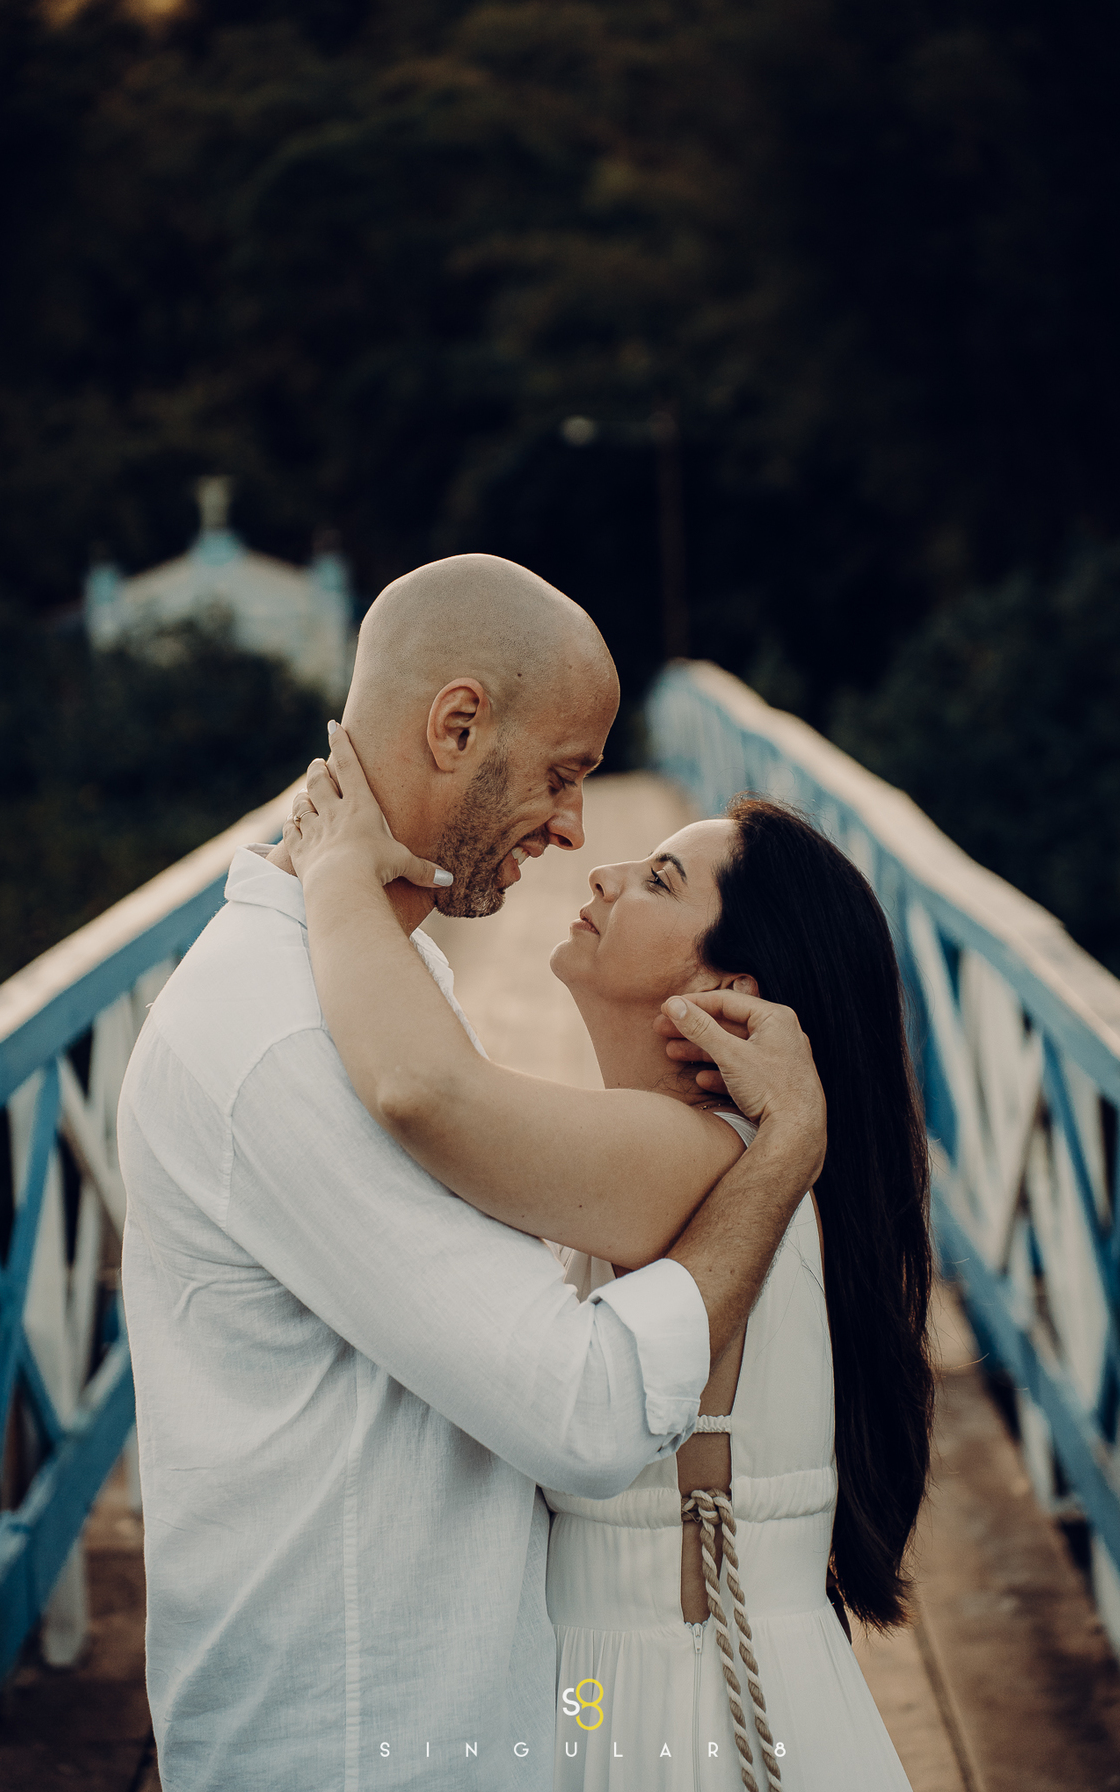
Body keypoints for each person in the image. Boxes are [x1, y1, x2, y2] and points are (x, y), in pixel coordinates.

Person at [117, 554, 827, 1792]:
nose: (576, 830)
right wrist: (784, 1157)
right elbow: (586, 1410)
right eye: (564, 773)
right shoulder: (284, 1033)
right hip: (347, 1750)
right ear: (456, 727)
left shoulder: (384, 984)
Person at [283, 718, 936, 1792]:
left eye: (661, 881)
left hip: (668, 1699)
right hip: (670, 1677)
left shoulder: (692, 1162)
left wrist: (333, 876)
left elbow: (422, 1091)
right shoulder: (705, 1158)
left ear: (732, 991)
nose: (608, 871)